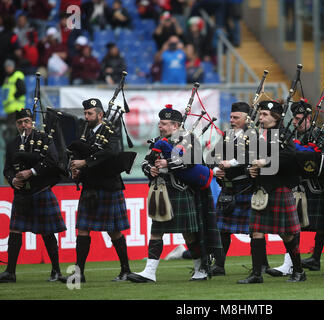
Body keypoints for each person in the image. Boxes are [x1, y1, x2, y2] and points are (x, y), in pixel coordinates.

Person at [127, 104, 221, 283]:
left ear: (175, 126)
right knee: (156, 231)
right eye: (160, 123)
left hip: (182, 192)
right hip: (162, 192)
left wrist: (167, 164)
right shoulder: (157, 141)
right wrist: (150, 170)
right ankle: (149, 272)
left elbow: (190, 163)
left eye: (164, 124)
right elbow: (146, 162)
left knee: (189, 234)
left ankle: (200, 269)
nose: (160, 126)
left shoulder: (189, 139)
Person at [267, 99, 324, 276]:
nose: (296, 122)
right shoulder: (291, 137)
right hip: (297, 187)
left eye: (300, 119)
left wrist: (307, 154)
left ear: (308, 118)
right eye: (295, 119)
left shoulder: (320, 135)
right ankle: (288, 264)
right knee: (292, 228)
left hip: (319, 188)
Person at [237, 100, 305, 284]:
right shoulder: (257, 134)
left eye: (265, 114)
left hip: (280, 187)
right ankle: (257, 274)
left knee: (287, 234)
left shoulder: (283, 134)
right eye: (260, 114)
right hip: (261, 188)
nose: (261, 117)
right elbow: (248, 158)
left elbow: (290, 155)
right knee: (256, 231)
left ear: (275, 116)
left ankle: (298, 271)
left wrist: (265, 161)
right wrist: (249, 170)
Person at [1, 108, 67, 283]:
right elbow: (7, 168)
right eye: (20, 122)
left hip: (41, 190)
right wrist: (12, 179)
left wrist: (31, 172)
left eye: (27, 121)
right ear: (16, 125)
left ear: (32, 122)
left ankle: (56, 271)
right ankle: (10, 272)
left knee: (47, 232)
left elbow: (52, 160)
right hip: (22, 193)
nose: (24, 125)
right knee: (15, 230)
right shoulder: (12, 143)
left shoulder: (44, 139)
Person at [69, 98, 131, 282]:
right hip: (90, 187)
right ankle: (79, 274)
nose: (86, 117)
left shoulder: (111, 132)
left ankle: (125, 270)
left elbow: (111, 152)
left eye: (90, 113)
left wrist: (85, 162)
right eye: (85, 113)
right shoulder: (86, 133)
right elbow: (80, 156)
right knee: (83, 229)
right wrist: (77, 172)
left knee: (114, 231)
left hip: (108, 187)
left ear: (100, 115)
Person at [207, 101, 270, 276]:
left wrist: (231, 163)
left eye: (236, 117)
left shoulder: (254, 135)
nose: (232, 120)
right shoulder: (227, 135)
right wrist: (215, 170)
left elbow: (253, 157)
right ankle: (219, 265)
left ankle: (262, 264)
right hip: (228, 188)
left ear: (246, 118)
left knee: (255, 229)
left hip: (247, 188)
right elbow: (210, 157)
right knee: (222, 229)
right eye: (231, 117)